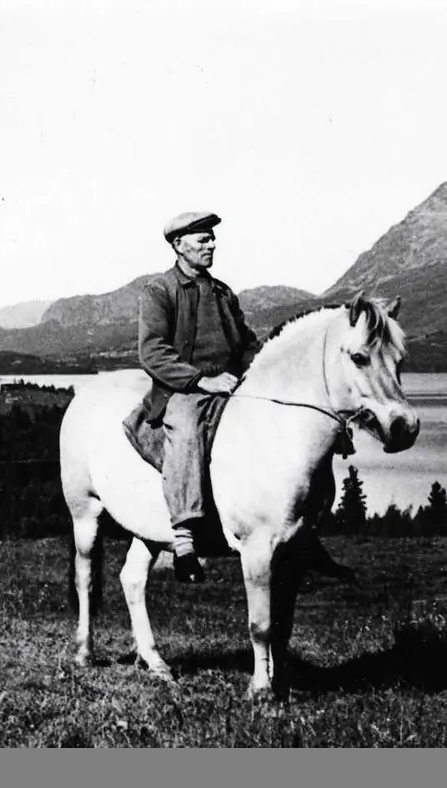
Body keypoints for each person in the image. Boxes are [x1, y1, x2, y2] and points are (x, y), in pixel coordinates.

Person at [128, 210, 261, 583]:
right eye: (203, 239)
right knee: (185, 429)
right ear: (178, 245)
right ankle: (185, 538)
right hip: (183, 390)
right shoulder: (159, 290)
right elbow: (152, 352)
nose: (212, 244)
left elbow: (246, 344)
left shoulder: (222, 292)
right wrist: (201, 380)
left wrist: (252, 370)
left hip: (230, 385)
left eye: (212, 238)